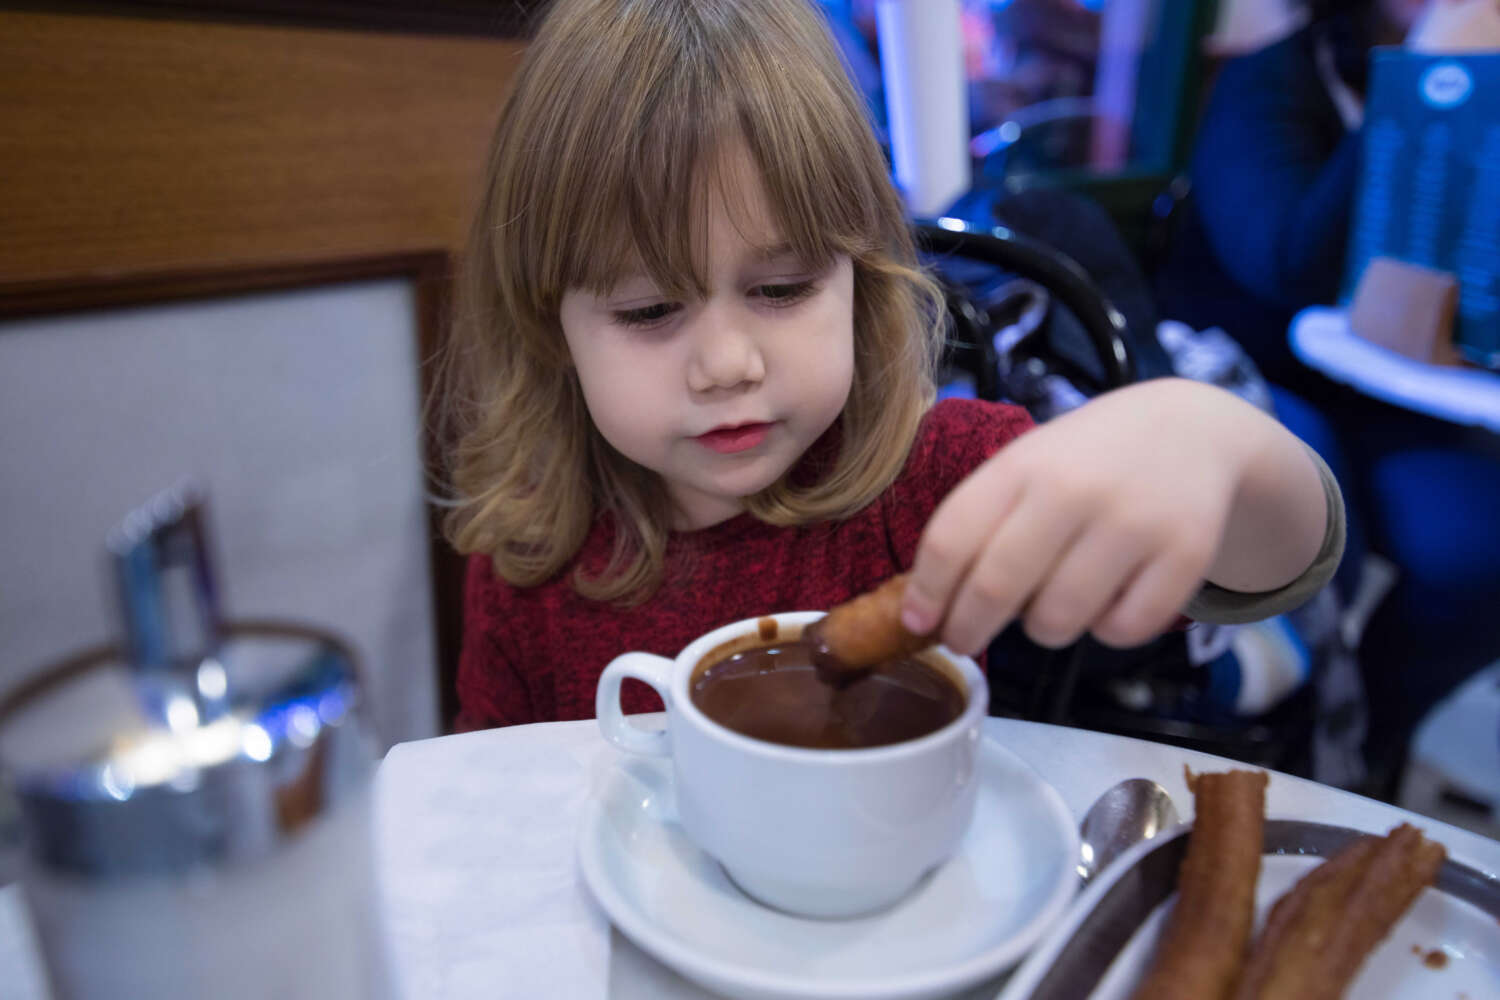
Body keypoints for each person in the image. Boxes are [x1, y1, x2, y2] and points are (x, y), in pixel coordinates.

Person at [441, 0, 1343, 732]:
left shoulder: (945, 479)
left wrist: (1214, 444)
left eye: (782, 289)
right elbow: (491, 790)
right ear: (550, 326)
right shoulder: (530, 551)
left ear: (859, 280)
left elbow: (1267, 569)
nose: (726, 364)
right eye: (648, 311)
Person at [1156, 0, 1500, 794]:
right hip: (1251, 366)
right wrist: (1423, 83)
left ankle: (1361, 744)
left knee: (1480, 554)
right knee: (1310, 536)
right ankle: (1272, 736)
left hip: (1404, 394)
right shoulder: (1266, 83)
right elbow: (1285, 265)